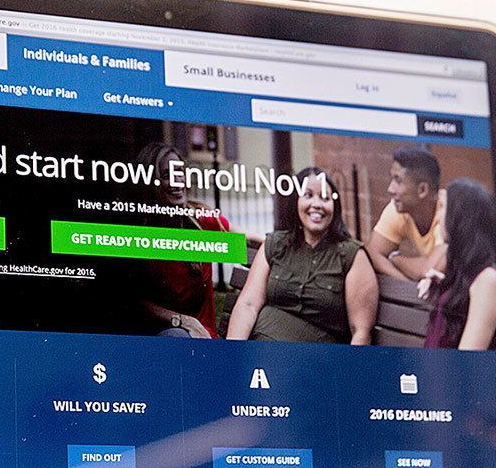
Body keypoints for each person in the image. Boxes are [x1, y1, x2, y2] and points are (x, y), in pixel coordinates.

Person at [227, 167, 377, 344]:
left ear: (334, 207)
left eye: (325, 198)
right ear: (295, 201)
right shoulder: (275, 244)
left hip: (314, 361)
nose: (317, 204)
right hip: (260, 353)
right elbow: (248, 304)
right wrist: (233, 355)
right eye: (308, 195)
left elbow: (360, 331)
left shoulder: (351, 255)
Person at [134, 142, 230, 338]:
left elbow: (244, 239)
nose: (177, 181)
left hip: (202, 337)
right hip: (161, 335)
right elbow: (133, 300)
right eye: (166, 175)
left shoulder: (201, 221)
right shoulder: (137, 231)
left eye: (179, 172)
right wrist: (183, 321)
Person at [420, 178, 496, 350]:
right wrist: (444, 286)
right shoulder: (463, 269)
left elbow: (469, 358)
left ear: (460, 217)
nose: (437, 216)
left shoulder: (488, 281)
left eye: (442, 207)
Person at [366, 145, 446, 281]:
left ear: (422, 190)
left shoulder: (448, 212)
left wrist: (395, 258)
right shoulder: (398, 208)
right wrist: (407, 285)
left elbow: (429, 270)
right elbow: (373, 254)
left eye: (398, 180)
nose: (390, 189)